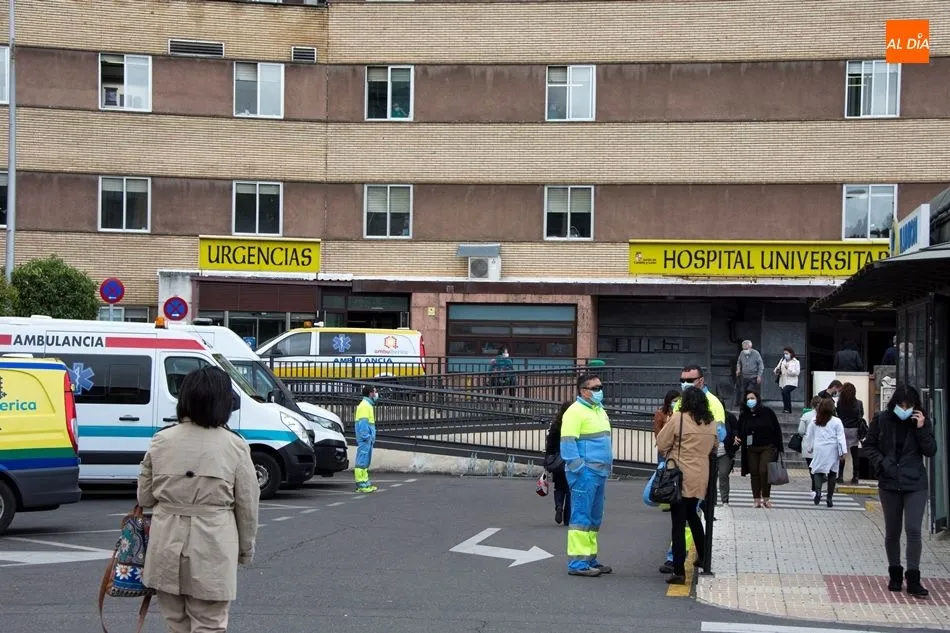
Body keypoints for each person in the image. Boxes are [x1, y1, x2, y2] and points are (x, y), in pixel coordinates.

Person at [138, 366, 259, 633]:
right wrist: (245, 550)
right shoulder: (235, 446)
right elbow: (247, 506)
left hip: (165, 543)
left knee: (175, 623)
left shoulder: (161, 440)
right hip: (214, 544)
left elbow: (144, 497)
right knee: (210, 624)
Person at [863, 385, 937, 598]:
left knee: (913, 529)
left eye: (908, 406)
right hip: (889, 482)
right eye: (901, 405)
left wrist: (921, 428)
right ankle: (895, 574)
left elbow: (931, 450)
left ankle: (913, 577)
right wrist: (882, 463)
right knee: (892, 531)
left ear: (915, 405)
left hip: (915, 483)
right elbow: (869, 445)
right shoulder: (882, 419)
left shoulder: (921, 421)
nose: (904, 409)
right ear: (894, 404)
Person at [655, 386, 718, 585]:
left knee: (678, 523)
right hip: (701, 475)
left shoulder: (678, 418)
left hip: (680, 476)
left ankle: (679, 570)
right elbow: (715, 446)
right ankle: (703, 556)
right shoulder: (711, 422)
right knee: (692, 515)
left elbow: (662, 442)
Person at [560, 372, 613, 577]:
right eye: (595, 388)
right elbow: (567, 445)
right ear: (583, 391)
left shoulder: (599, 410)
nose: (600, 391)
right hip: (585, 473)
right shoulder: (574, 412)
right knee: (581, 518)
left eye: (601, 387)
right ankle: (577, 563)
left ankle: (589, 559)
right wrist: (580, 470)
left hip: (598, 473)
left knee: (593, 519)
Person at [737, 390, 784, 508]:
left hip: (767, 446)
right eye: (748, 399)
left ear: (757, 399)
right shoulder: (744, 415)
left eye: (752, 398)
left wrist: (779, 447)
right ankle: (756, 499)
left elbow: (776, 429)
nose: (750, 401)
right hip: (751, 448)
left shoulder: (767, 412)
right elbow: (739, 429)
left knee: (764, 471)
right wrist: (737, 437)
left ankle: (766, 498)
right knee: (754, 472)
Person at [803, 398, 846, 507]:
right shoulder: (837, 421)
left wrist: (809, 447)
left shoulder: (815, 421)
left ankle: (818, 491)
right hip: (833, 449)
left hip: (819, 448)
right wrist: (842, 452)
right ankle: (829, 498)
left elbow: (809, 435)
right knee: (832, 473)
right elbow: (841, 438)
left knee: (817, 470)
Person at [545, 401, 573, 526]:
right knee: (570, 488)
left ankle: (559, 506)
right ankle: (568, 517)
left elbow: (550, 443)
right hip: (570, 458)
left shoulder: (556, 424)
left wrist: (548, 459)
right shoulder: (573, 424)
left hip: (557, 461)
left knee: (558, 486)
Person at [835, 382, 865, 484]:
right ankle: (855, 476)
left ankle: (840, 476)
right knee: (855, 454)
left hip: (843, 429)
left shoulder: (840, 403)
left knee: (842, 453)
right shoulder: (859, 403)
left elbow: (838, 414)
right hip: (854, 430)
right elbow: (861, 415)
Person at [354, 385, 379, 492]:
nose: (376, 394)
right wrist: (367, 437)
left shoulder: (367, 405)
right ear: (370, 393)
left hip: (367, 439)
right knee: (362, 461)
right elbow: (363, 423)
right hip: (365, 439)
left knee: (365, 462)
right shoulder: (365, 406)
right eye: (375, 392)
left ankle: (365, 483)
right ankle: (361, 485)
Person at [653, 389, 681, 459]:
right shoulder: (660, 413)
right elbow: (658, 433)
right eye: (675, 401)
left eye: (679, 401)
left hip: (677, 449)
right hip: (665, 449)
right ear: (669, 402)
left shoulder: (681, 413)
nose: (677, 403)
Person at [797, 395, 824, 470]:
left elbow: (801, 431)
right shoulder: (826, 416)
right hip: (822, 445)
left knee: (811, 467)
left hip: (808, 444)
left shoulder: (806, 415)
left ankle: (814, 477)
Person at [773, 346, 801, 414]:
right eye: (784, 353)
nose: (785, 355)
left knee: (785, 391)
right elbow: (776, 368)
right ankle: (787, 409)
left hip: (792, 381)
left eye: (787, 353)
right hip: (783, 381)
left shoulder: (796, 362)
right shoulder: (782, 360)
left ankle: (787, 409)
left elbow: (797, 373)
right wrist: (776, 371)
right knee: (784, 393)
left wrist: (788, 368)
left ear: (791, 353)